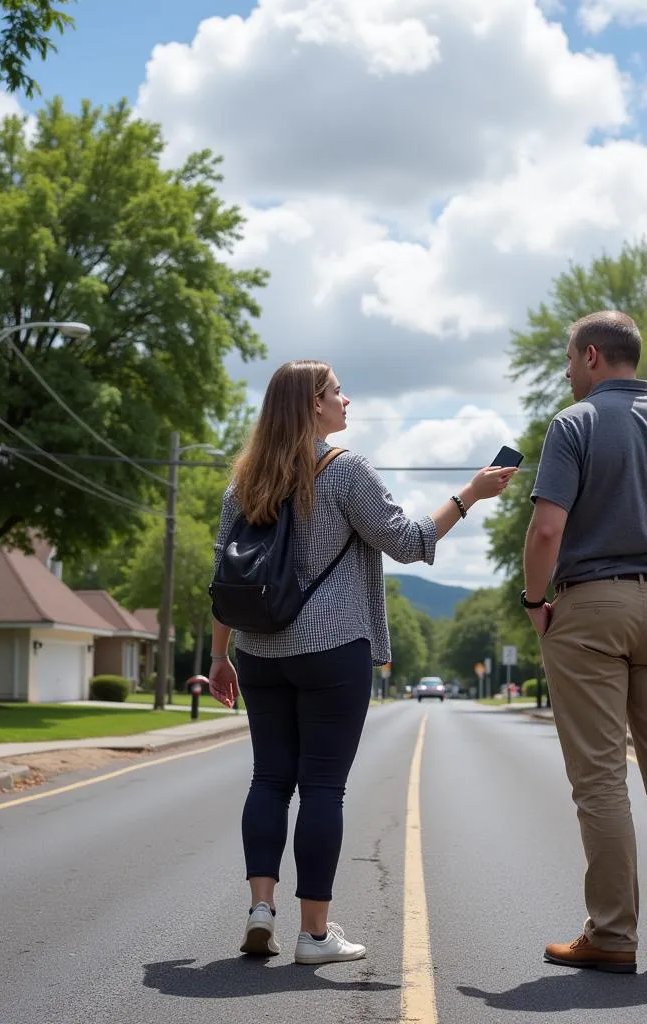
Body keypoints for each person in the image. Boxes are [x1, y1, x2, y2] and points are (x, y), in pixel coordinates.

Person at [208, 359, 517, 964]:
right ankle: (314, 936)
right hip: (331, 649)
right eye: (336, 393)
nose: (346, 402)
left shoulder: (240, 486)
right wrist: (470, 495)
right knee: (323, 787)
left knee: (269, 780)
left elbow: (223, 579)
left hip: (259, 653)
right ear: (312, 407)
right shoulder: (346, 472)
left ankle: (260, 910)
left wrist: (220, 656)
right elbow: (408, 542)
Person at [521, 310, 647, 974]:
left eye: (568, 358)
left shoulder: (572, 424)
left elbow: (547, 530)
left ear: (590, 357)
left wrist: (534, 601)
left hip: (590, 606)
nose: (566, 370)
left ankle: (612, 937)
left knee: (601, 778)